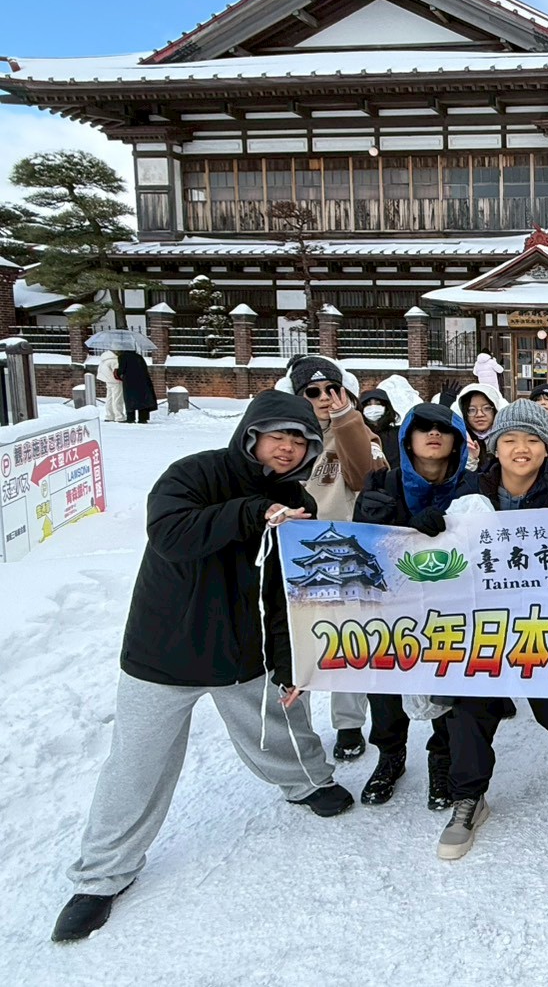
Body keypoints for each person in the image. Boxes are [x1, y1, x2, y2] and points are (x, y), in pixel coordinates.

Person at [51, 392, 351, 944]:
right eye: (276, 435)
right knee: (137, 762)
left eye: (300, 440)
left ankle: (308, 783)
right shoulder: (193, 473)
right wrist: (252, 513)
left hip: (241, 651)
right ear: (251, 433)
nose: (287, 447)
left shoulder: (294, 498)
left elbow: (287, 593)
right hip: (162, 650)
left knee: (279, 726)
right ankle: (101, 875)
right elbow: (170, 535)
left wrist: (289, 665)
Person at [432, 400, 548, 861]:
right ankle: (469, 797)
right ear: (495, 446)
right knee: (471, 706)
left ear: (547, 449)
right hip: (483, 626)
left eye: (532, 439)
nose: (521, 448)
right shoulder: (468, 495)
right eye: (510, 439)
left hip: (544, 623)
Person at [350, 403, 468, 809]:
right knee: (385, 686)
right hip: (391, 607)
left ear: (457, 441)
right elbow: (359, 550)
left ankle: (443, 759)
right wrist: (367, 517)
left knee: (452, 688)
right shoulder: (384, 483)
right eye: (423, 428)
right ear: (407, 439)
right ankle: (390, 756)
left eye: (443, 428)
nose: (433, 435)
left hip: (452, 609)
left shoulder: (471, 486)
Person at [289, 355, 390, 763]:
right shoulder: (287, 435)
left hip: (345, 556)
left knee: (347, 639)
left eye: (331, 389)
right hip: (295, 554)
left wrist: (347, 417)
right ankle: (295, 731)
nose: (323, 398)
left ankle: (348, 723)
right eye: (312, 392)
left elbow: (366, 471)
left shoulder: (356, 431)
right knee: (297, 644)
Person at [455, 383, 501, 473]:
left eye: (486, 408)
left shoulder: (504, 437)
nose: (479, 414)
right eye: (471, 410)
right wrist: (470, 460)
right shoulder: (458, 440)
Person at [357, 388, 401, 471]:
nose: (373, 407)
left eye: (378, 403)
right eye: (368, 404)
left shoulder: (398, 433)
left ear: (386, 407)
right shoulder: (356, 435)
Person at [115, 349, 158, 425]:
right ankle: (143, 418)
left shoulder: (122, 357)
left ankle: (131, 418)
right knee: (142, 399)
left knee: (130, 399)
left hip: (129, 381)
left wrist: (116, 372)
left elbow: (121, 370)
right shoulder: (139, 357)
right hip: (142, 381)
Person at [95, 349, 127, 423]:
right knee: (117, 399)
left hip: (107, 380)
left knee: (109, 398)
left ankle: (109, 415)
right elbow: (117, 372)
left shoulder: (104, 358)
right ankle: (119, 416)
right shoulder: (114, 360)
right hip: (115, 381)